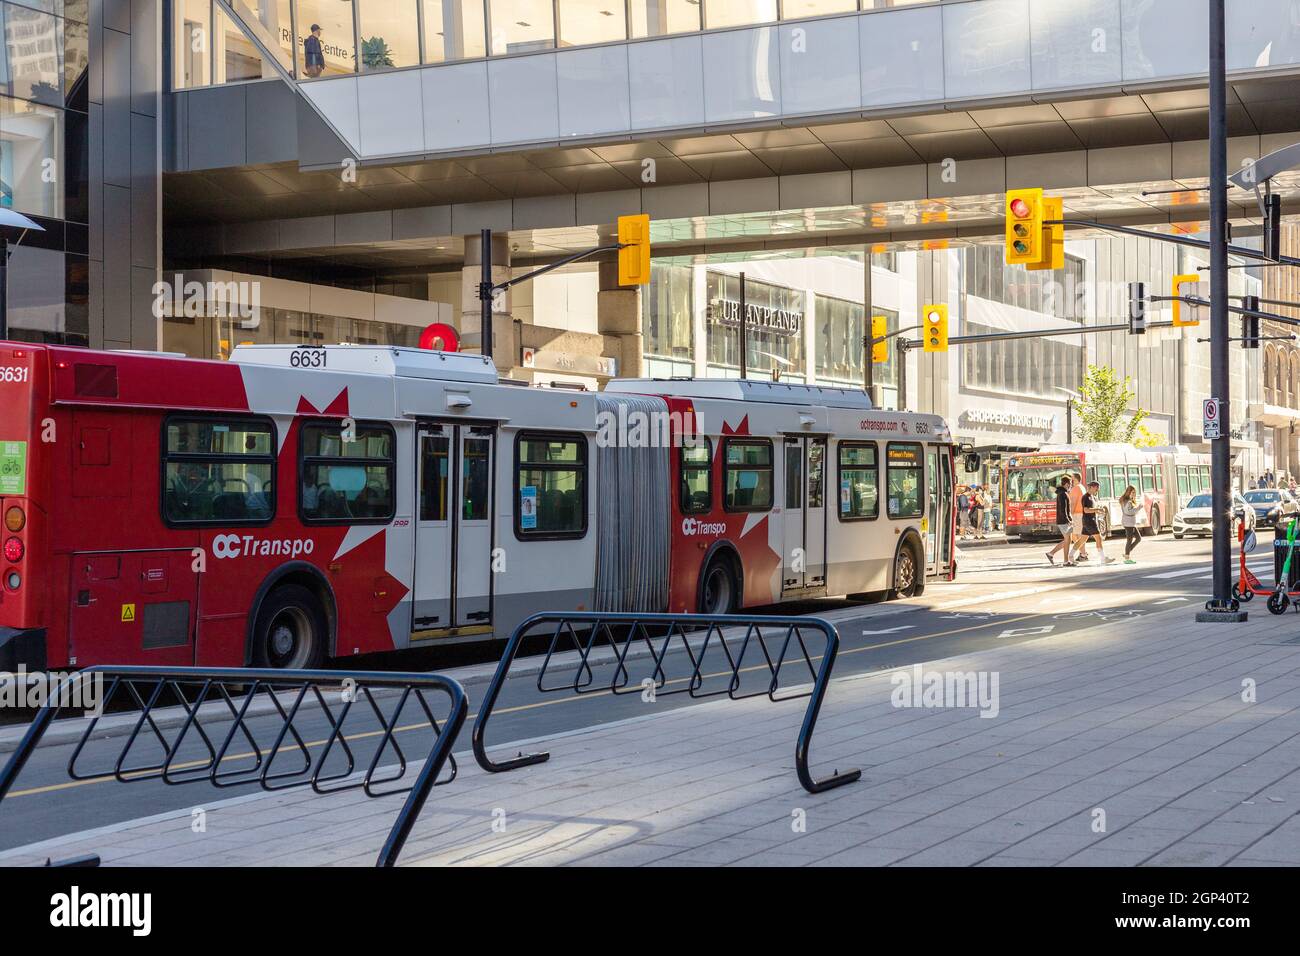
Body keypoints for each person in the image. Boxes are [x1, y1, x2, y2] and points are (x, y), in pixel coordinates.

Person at [1079, 480, 1114, 564]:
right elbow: (1086, 510)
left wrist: (1097, 511)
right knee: (1099, 538)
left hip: (1089, 520)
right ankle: (1103, 559)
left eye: (1098, 488)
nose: (1097, 490)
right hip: (1089, 521)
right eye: (1096, 488)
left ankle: (1071, 555)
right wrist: (1097, 510)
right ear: (1091, 487)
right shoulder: (1086, 497)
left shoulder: (1092, 497)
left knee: (1082, 540)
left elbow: (1090, 510)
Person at [1046, 475, 1075, 566]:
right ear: (1066, 484)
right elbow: (1063, 509)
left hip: (1063, 520)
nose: (1071, 486)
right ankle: (1064, 560)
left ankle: (1052, 554)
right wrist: (1068, 520)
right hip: (1063, 521)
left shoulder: (1062, 493)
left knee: (1068, 540)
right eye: (1070, 484)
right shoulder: (1063, 494)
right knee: (1067, 540)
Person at [1120, 485, 1142, 563]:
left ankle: (1127, 552)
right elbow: (1128, 512)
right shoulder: (1128, 501)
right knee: (1130, 540)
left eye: (1134, 493)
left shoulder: (1127, 500)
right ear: (1128, 492)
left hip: (1130, 523)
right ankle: (1127, 558)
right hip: (1128, 522)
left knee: (1138, 538)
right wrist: (1139, 508)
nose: (1134, 494)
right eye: (1132, 492)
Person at [1069, 471, 1088, 561]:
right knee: (1077, 535)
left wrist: (1070, 515)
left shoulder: (1075, 488)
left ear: (1075, 479)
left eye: (1071, 478)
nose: (1070, 480)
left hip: (1077, 514)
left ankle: (1083, 554)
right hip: (1081, 513)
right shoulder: (1082, 487)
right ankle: (1083, 553)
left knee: (1077, 535)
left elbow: (1073, 502)